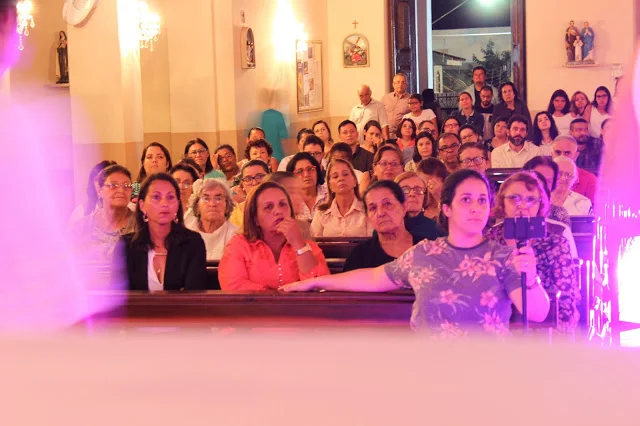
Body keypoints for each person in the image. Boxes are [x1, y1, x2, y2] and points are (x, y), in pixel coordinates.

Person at [282, 169, 550, 336]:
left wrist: (531, 278)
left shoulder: (504, 257)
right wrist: (316, 282)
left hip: (486, 370)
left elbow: (537, 313)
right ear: (447, 209)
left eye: (482, 200)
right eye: (466, 200)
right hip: (431, 370)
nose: (475, 208)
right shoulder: (425, 253)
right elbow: (374, 277)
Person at [485, 171, 579, 332]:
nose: (522, 206)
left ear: (540, 205)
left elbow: (567, 303)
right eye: (514, 198)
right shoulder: (490, 240)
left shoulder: (555, 244)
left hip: (545, 330)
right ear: (502, 202)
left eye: (530, 200)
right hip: (496, 329)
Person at [219, 182, 330, 290]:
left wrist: (299, 245)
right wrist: (277, 296)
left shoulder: (306, 245)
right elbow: (233, 285)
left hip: (298, 304)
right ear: (255, 218)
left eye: (282, 204)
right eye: (268, 207)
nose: (278, 211)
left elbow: (320, 285)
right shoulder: (239, 245)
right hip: (255, 304)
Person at [118, 173, 207, 291]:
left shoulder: (193, 243)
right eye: (156, 197)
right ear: (142, 205)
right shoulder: (126, 246)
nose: (164, 204)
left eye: (170, 197)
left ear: (178, 205)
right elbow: (118, 295)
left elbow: (194, 295)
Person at [69, 165, 137, 285]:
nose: (121, 190)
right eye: (113, 185)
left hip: (129, 291)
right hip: (89, 291)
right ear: (99, 190)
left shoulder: (140, 226)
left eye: (126, 186)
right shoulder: (81, 227)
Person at [342, 180, 422, 271]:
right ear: (367, 217)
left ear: (404, 207)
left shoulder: (425, 249)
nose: (380, 213)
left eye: (387, 204)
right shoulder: (359, 256)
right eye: (373, 208)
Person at [310, 159, 372, 237]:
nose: (341, 179)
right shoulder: (321, 213)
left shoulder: (368, 209)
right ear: (330, 186)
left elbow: (373, 242)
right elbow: (313, 242)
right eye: (335, 176)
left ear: (355, 181)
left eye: (345, 174)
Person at [186, 178, 237, 260]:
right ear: (197, 206)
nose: (212, 204)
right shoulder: (185, 235)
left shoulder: (236, 236)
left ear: (227, 205)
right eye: (206, 199)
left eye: (218, 199)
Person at [522, 156, 571, 226]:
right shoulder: (514, 208)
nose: (542, 184)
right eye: (538, 179)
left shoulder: (558, 214)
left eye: (548, 181)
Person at [395, 172, 443, 241]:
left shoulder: (437, 230)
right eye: (405, 190)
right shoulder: (387, 227)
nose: (412, 194)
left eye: (418, 190)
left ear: (424, 196)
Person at [68, 160, 117, 224]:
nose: (99, 183)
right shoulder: (80, 212)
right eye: (96, 179)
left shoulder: (128, 210)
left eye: (104, 179)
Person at [286, 152, 328, 221]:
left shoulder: (329, 194)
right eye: (299, 171)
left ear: (317, 171)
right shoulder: (288, 201)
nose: (306, 175)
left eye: (310, 169)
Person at [229, 159, 270, 228]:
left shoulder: (279, 207)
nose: (254, 183)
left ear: (270, 178)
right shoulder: (233, 213)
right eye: (248, 179)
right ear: (243, 184)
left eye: (260, 176)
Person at [381, 73, 411, 138]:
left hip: (402, 136)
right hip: (385, 134)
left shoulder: (410, 99)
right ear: (393, 84)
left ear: (406, 85)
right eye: (398, 82)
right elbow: (380, 115)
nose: (400, 84)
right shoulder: (385, 98)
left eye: (403, 82)